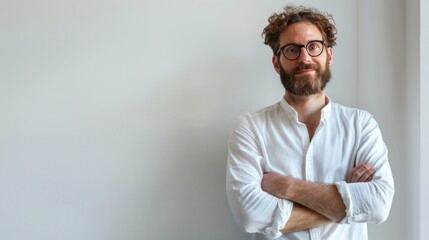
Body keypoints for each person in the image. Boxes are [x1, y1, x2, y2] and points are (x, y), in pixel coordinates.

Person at [225, 5, 394, 240]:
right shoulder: (251, 128)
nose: (305, 58)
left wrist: (289, 188)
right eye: (292, 50)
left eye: (314, 46)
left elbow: (379, 204)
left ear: (329, 55)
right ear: (277, 63)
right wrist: (346, 196)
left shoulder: (361, 125)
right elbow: (250, 216)